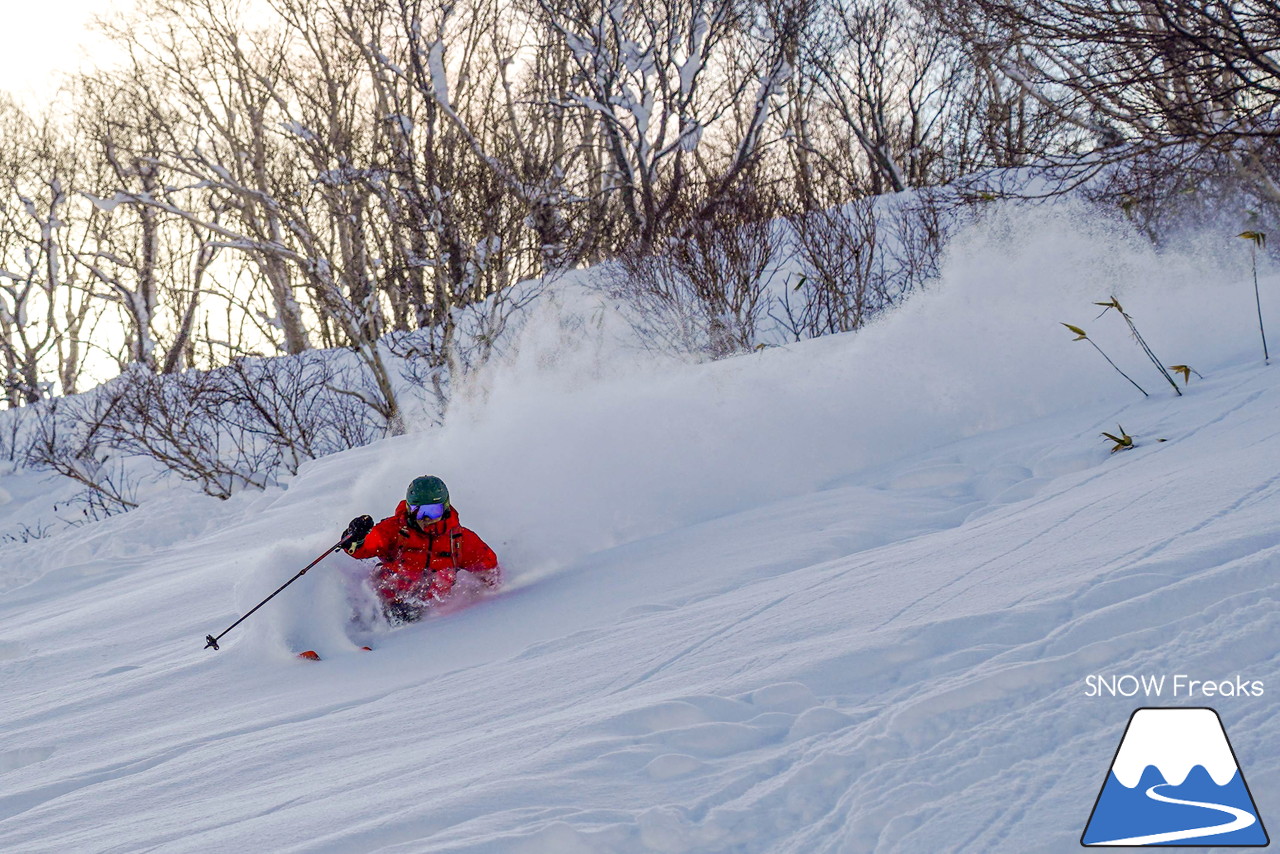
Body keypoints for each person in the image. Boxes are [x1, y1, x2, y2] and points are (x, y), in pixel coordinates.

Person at [342, 475, 500, 623]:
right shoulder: (395, 529)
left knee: (444, 574)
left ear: (445, 508)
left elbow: (490, 570)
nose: (426, 518)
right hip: (382, 607)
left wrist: (478, 592)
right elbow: (361, 549)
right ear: (410, 509)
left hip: (429, 616)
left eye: (433, 511)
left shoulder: (459, 540)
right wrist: (354, 536)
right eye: (419, 511)